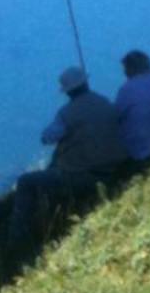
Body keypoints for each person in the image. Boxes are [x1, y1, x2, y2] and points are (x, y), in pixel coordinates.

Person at [7, 65, 128, 243]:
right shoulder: (105, 102)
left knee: (25, 182)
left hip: (83, 176)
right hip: (113, 170)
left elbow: (47, 138)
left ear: (68, 92)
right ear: (86, 83)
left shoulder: (66, 114)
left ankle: (17, 238)